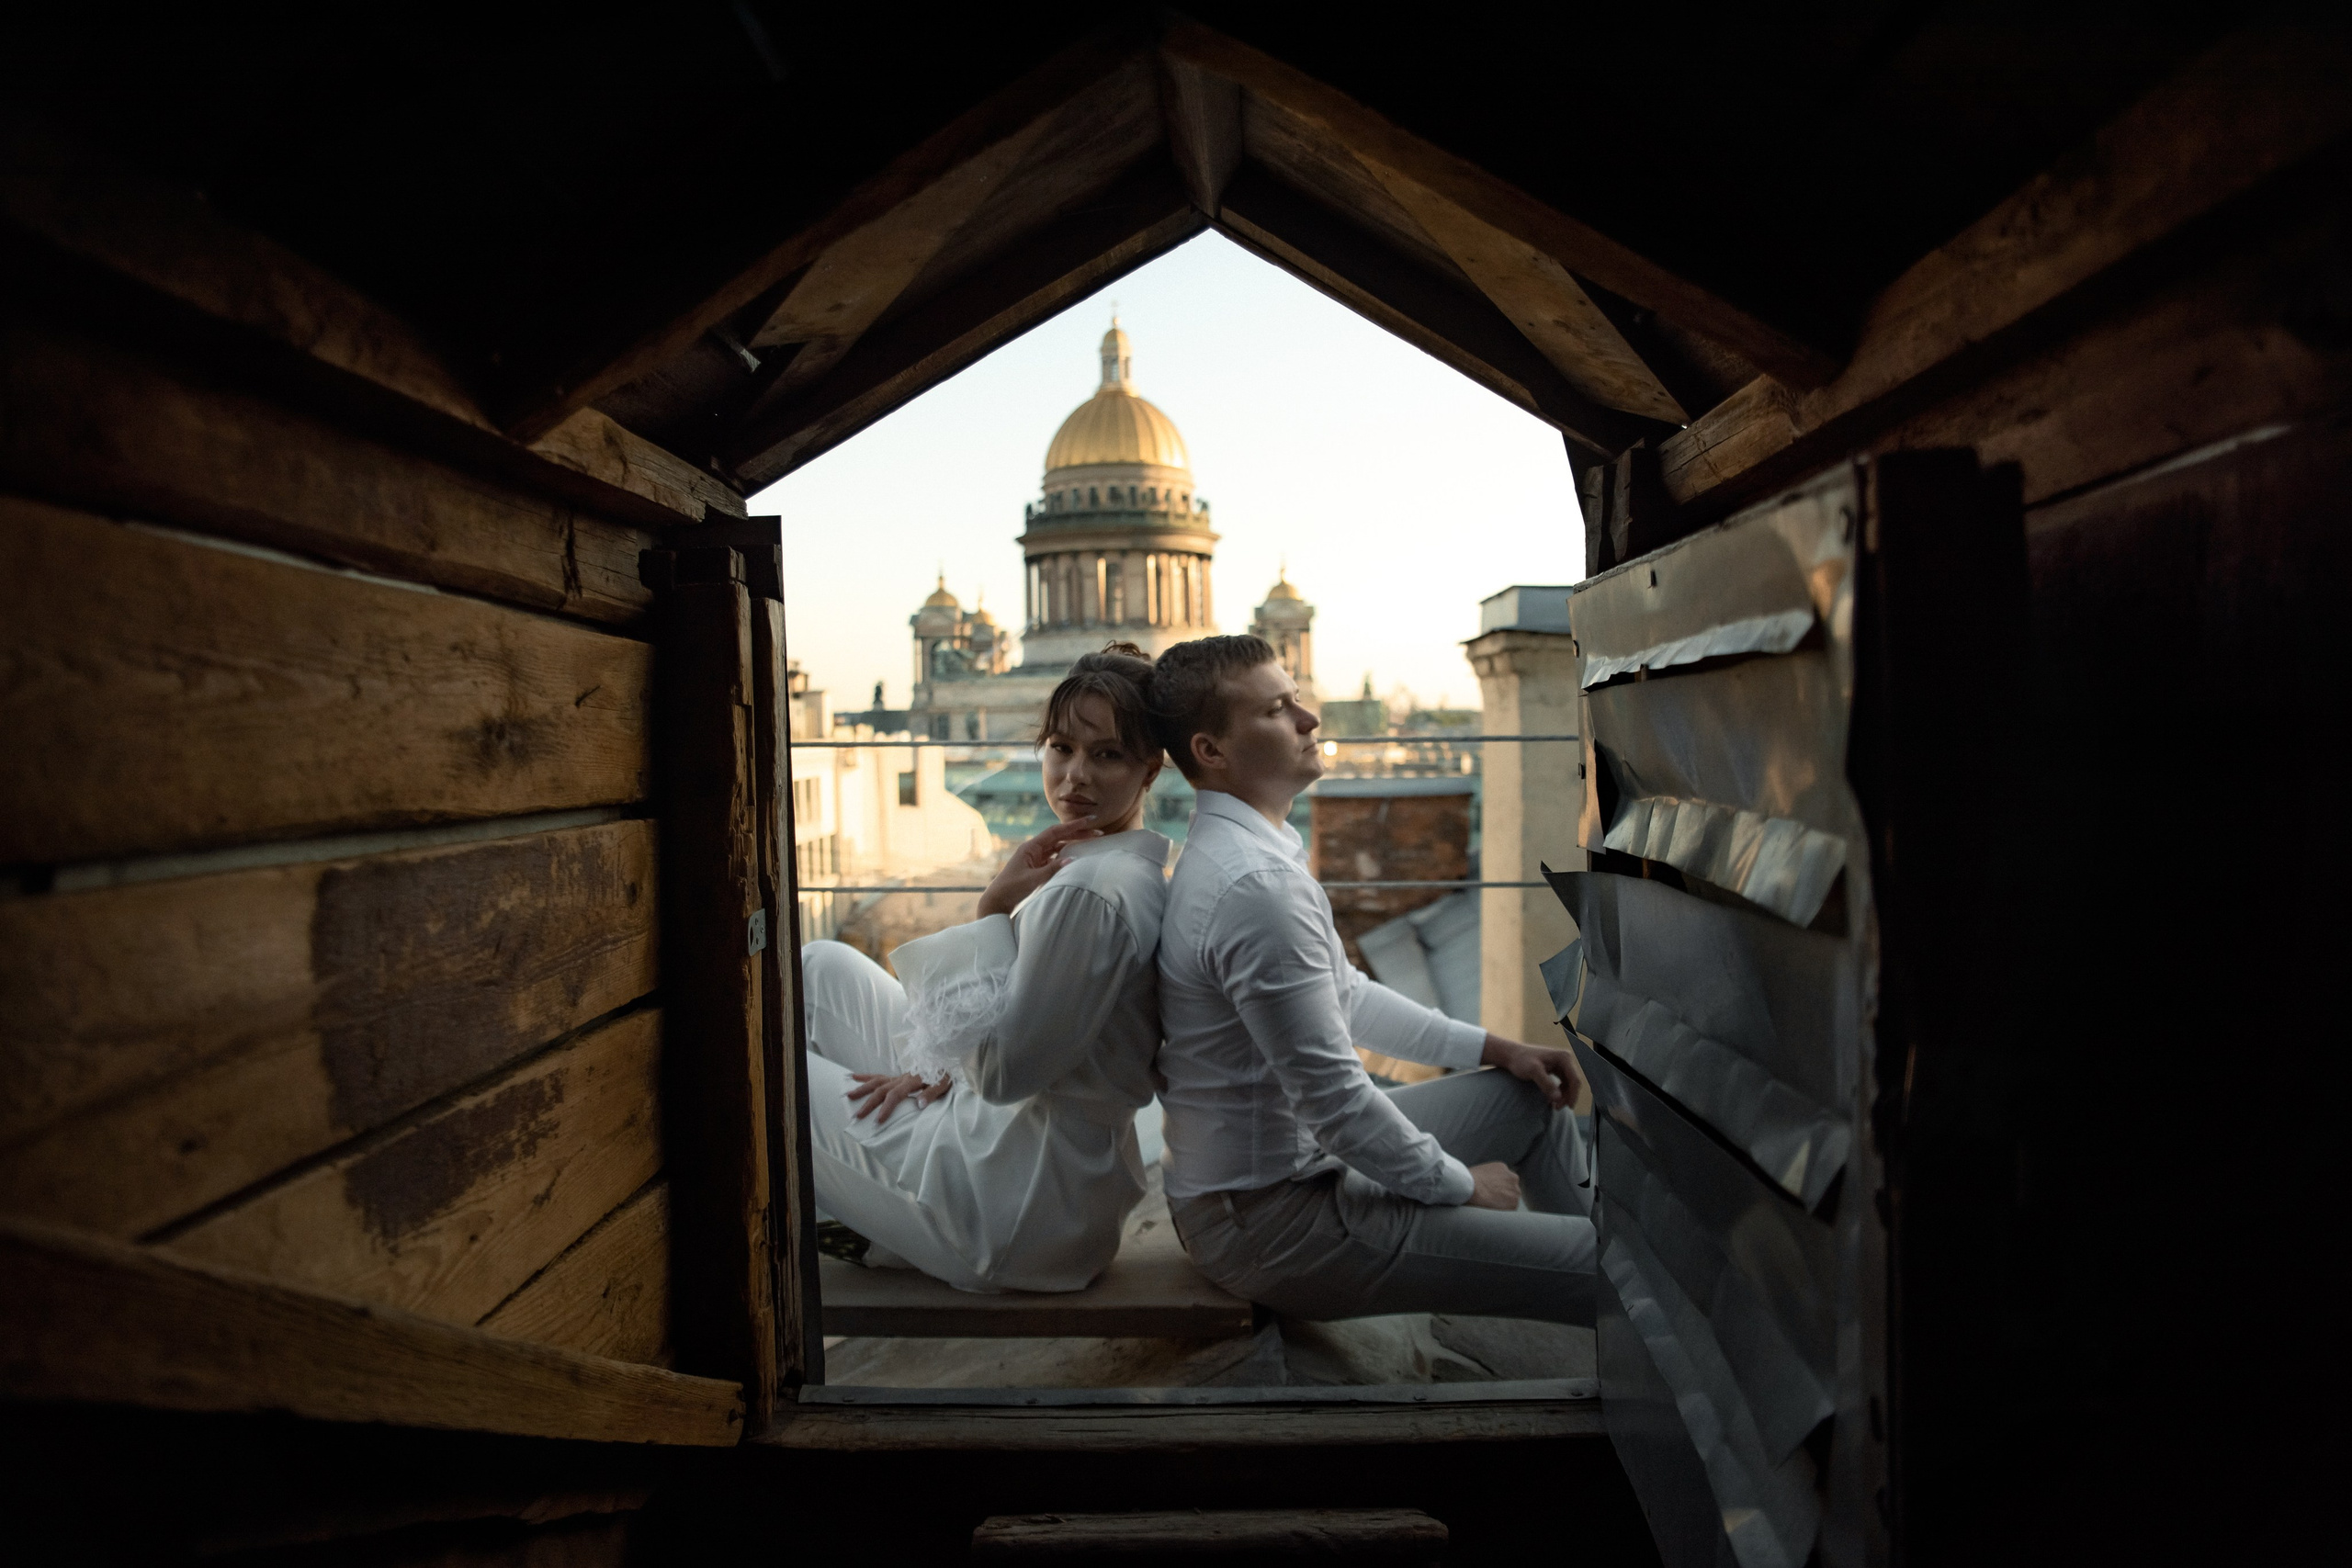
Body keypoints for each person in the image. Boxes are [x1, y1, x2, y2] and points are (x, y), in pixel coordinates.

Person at [1148, 634, 1597, 1324]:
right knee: (1606, 1267)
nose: (1309, 719)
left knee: (1526, 1099)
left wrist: (1496, 1048)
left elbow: (1346, 995)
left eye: (1296, 698)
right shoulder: (1254, 888)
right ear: (1211, 751)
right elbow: (1336, 1101)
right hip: (1276, 1220)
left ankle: (1606, 1301)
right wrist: (1459, 1186)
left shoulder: (1252, 852)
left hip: (1284, 1178)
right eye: (1277, 710)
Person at [796, 645, 1171, 1293]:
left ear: (1150, 769)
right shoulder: (1107, 868)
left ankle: (864, 1224)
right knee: (820, 966)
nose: (1075, 775)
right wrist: (935, 1065)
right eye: (1061, 747)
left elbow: (999, 1073)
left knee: (768, 1068)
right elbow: (1026, 1039)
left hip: (1010, 1202)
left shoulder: (1091, 894)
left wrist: (993, 905)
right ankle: (860, 1212)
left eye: (1106, 754)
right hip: (1039, 1170)